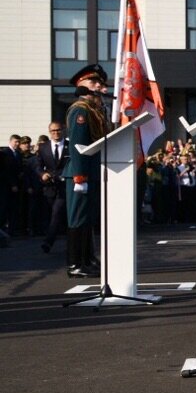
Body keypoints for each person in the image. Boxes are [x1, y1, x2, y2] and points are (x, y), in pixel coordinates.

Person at [63, 63, 112, 277]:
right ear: (81, 85)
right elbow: (78, 145)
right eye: (93, 82)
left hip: (91, 171)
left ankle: (88, 259)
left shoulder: (95, 109)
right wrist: (80, 176)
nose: (98, 86)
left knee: (89, 217)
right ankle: (75, 264)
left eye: (99, 83)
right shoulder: (80, 110)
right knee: (78, 218)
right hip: (79, 172)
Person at [35, 120, 69, 254]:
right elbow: (37, 165)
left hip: (64, 186)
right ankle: (69, 240)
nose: (56, 133)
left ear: (63, 130)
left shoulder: (70, 145)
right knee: (54, 215)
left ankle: (48, 242)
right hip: (49, 187)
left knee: (56, 213)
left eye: (58, 130)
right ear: (49, 132)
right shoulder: (43, 147)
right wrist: (42, 174)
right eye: (53, 131)